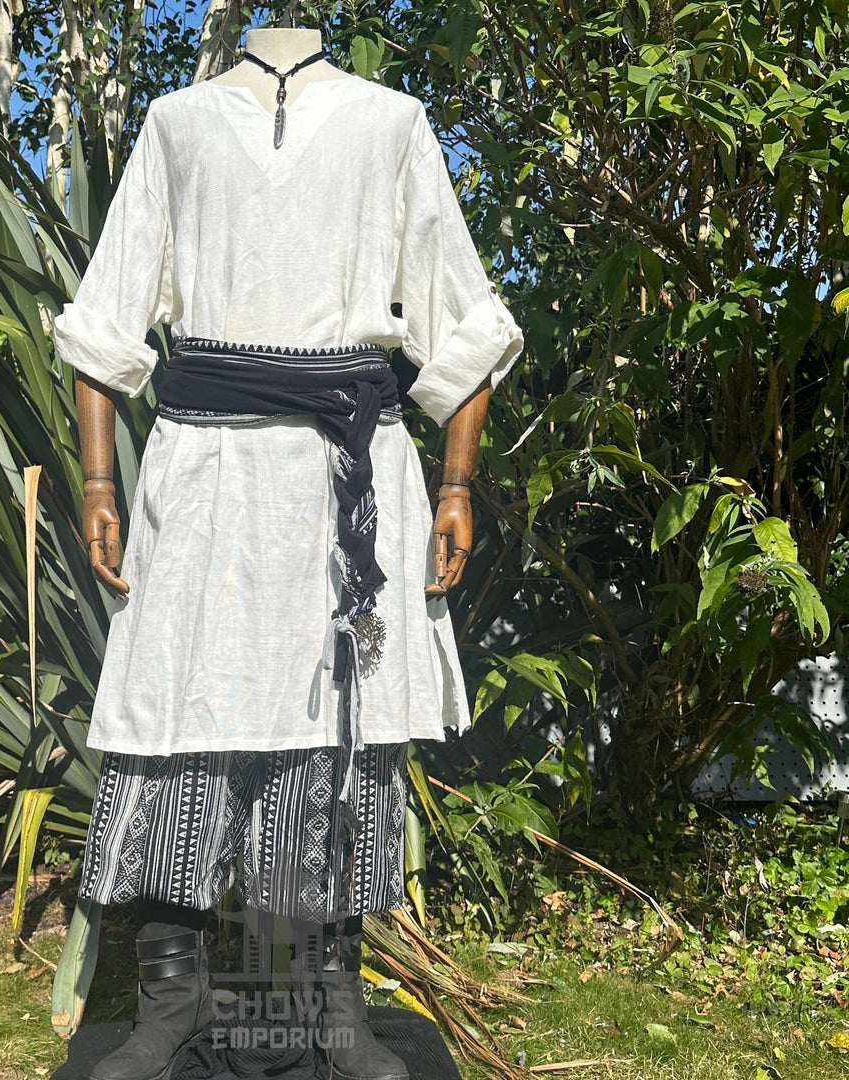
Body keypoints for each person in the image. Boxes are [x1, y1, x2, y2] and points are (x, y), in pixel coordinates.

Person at [53, 25, 523, 1080]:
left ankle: (321, 1002)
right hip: (203, 473)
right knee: (181, 725)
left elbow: (465, 320)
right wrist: (95, 482)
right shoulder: (176, 126)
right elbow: (107, 319)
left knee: (330, 740)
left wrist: (454, 486)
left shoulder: (392, 124)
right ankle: (171, 998)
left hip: (339, 478)